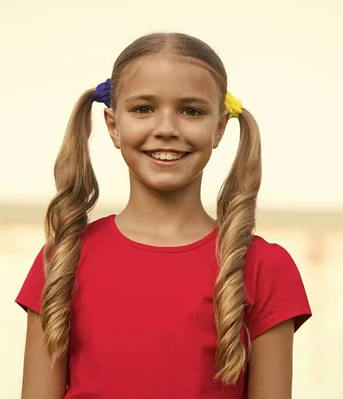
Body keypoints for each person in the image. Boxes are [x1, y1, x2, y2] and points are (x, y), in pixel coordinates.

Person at [16, 32, 312, 399]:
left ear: (219, 126)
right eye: (143, 109)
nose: (167, 129)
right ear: (113, 125)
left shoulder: (265, 267)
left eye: (191, 111)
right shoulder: (61, 261)